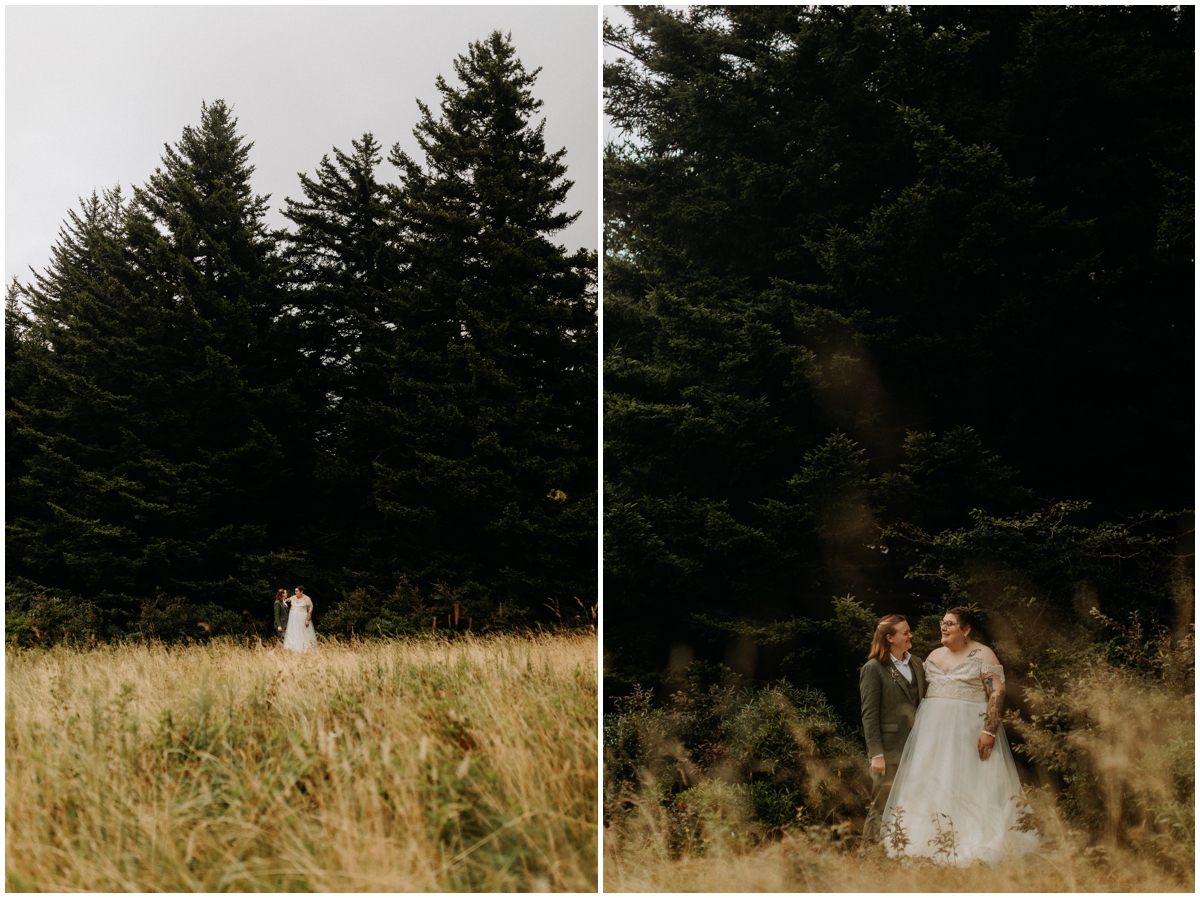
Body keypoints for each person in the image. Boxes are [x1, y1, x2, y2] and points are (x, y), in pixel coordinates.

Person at [880, 606, 1040, 865]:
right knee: (931, 782)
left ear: (965, 630)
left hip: (969, 732)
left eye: (950, 624)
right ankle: (921, 844)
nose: (943, 627)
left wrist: (989, 729)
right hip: (932, 735)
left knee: (971, 783)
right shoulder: (933, 654)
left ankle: (975, 843)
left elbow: (997, 692)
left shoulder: (983, 654)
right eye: (943, 623)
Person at [859, 614, 926, 839]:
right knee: (881, 804)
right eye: (905, 632)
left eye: (909, 631)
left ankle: (898, 852)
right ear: (890, 638)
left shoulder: (917, 662)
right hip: (889, 750)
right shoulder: (874, 668)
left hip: (917, 748)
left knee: (912, 804)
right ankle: (868, 857)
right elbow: (869, 715)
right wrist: (876, 754)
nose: (910, 635)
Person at [282, 585, 317, 653]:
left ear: (301, 591)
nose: (295, 592)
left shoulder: (307, 599)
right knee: (293, 632)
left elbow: (310, 609)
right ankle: (292, 649)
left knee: (303, 632)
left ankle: (303, 649)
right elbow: (288, 600)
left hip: (302, 618)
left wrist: (307, 619)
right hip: (293, 619)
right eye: (295, 591)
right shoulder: (292, 598)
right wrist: (287, 600)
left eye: (297, 591)